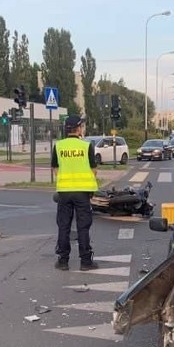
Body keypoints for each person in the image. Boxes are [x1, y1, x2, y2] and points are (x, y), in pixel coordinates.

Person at [51, 116, 98, 271]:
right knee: (83, 226)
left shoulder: (58, 146)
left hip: (64, 192)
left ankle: (63, 261)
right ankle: (85, 261)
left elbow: (55, 169)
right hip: (82, 192)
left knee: (63, 226)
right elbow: (93, 169)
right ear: (79, 129)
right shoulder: (86, 146)